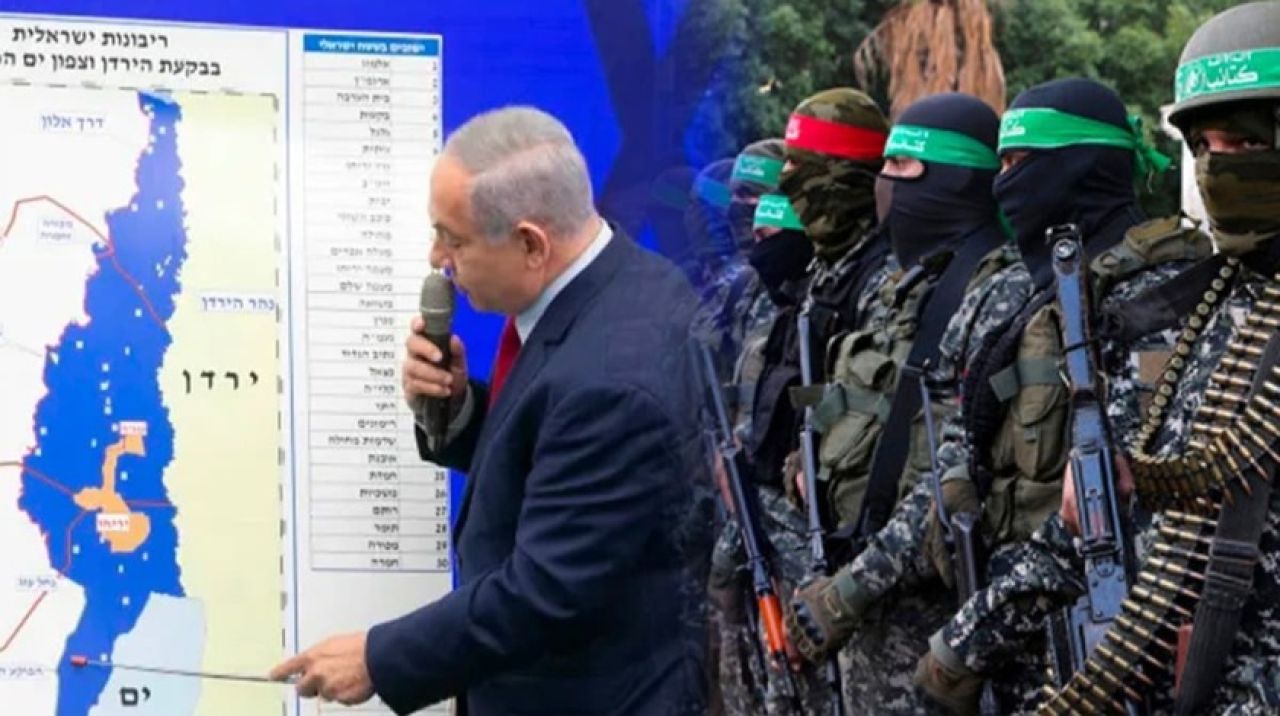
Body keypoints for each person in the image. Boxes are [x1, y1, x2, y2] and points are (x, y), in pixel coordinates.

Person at [269, 106, 713, 716]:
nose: (436, 258)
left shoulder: (612, 381)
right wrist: (460, 410)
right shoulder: (617, 288)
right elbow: (556, 457)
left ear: (531, 243)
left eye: (453, 239)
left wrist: (378, 658)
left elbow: (546, 588)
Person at [943, 4, 1280, 713]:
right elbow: (1128, 518)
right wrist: (964, 643)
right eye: (1204, 145)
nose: (1218, 167)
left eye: (1248, 143)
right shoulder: (1219, 304)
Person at [902, 77, 1210, 714]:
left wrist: (969, 640)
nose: (1004, 185)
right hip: (1015, 641)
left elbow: (1111, 518)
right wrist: (956, 479)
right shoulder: (1029, 295)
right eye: (1001, 164)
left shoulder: (1158, 301)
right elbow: (964, 411)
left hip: (1105, 651)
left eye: (1021, 163)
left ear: (1079, 168)